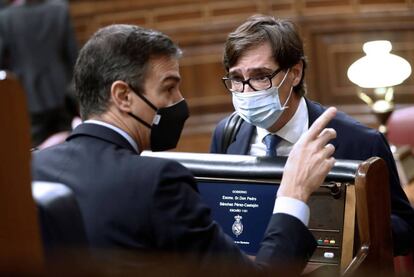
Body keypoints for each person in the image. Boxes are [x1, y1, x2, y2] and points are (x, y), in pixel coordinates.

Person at [32, 24, 338, 273]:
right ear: (123, 96)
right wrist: (293, 195)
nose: (179, 100)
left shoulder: (30, 169)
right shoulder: (157, 181)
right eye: (168, 87)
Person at [210, 14, 414, 256]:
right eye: (236, 78)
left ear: (295, 73)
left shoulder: (361, 141)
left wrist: (346, 224)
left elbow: (406, 230)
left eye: (260, 76)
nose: (246, 90)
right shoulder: (226, 135)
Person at [0, 0, 78, 147]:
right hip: (62, 91)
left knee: (33, 150)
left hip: (26, 95)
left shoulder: (5, 18)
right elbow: (73, 55)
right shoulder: (60, 9)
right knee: (69, 143)